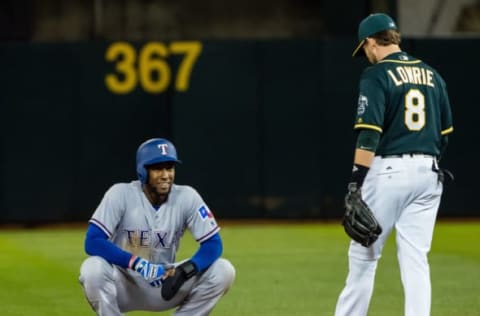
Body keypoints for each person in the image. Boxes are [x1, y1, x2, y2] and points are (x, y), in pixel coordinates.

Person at [335, 13, 453, 316]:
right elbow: (445, 135)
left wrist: (355, 183)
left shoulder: (376, 75)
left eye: (365, 48)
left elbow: (368, 135)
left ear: (373, 42)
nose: (366, 54)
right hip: (430, 172)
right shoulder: (432, 74)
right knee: (416, 259)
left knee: (363, 257)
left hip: (388, 171)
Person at [79, 138, 235, 315]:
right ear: (143, 172)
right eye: (157, 168)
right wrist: (139, 264)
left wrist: (185, 270)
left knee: (223, 270)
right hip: (125, 284)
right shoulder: (120, 194)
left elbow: (214, 244)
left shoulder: (187, 197)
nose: (165, 175)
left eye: (169, 168)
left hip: (167, 284)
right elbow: (93, 241)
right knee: (93, 268)